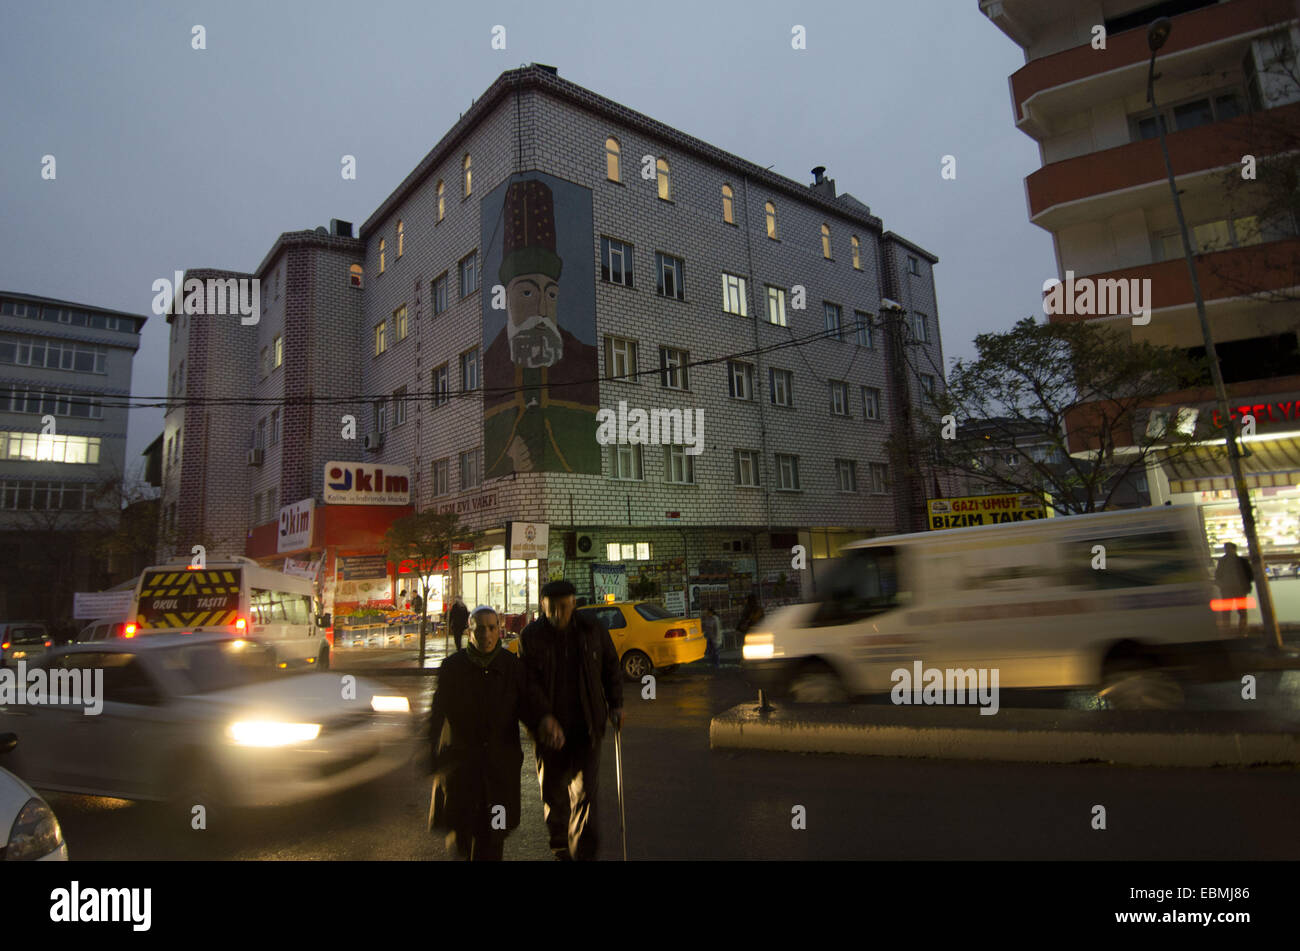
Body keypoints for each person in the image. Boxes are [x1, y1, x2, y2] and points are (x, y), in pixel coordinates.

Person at [427, 605, 563, 861]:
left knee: (493, 840)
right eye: (480, 628)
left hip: (499, 772)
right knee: (463, 839)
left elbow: (528, 705)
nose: (486, 635)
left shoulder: (512, 667)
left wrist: (545, 720)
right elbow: (437, 714)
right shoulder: (453, 668)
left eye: (492, 628)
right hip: (462, 771)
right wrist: (432, 754)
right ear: (470, 630)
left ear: (499, 630)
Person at [517, 579, 623, 861]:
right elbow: (527, 685)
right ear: (543, 606)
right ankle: (561, 850)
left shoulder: (592, 629)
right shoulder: (531, 636)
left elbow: (611, 666)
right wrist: (543, 718)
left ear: (574, 604)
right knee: (554, 797)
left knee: (586, 796)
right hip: (550, 734)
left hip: (586, 728)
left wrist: (617, 704)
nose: (557, 615)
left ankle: (584, 854)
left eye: (563, 608)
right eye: (551, 609)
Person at [1214, 542, 1254, 635]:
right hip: (1239, 589)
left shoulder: (1222, 561)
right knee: (1241, 611)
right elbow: (1250, 575)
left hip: (1227, 589)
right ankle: (1242, 630)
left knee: (1228, 611)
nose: (1227, 550)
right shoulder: (1242, 561)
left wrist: (1221, 584)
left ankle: (1228, 630)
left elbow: (1218, 574)